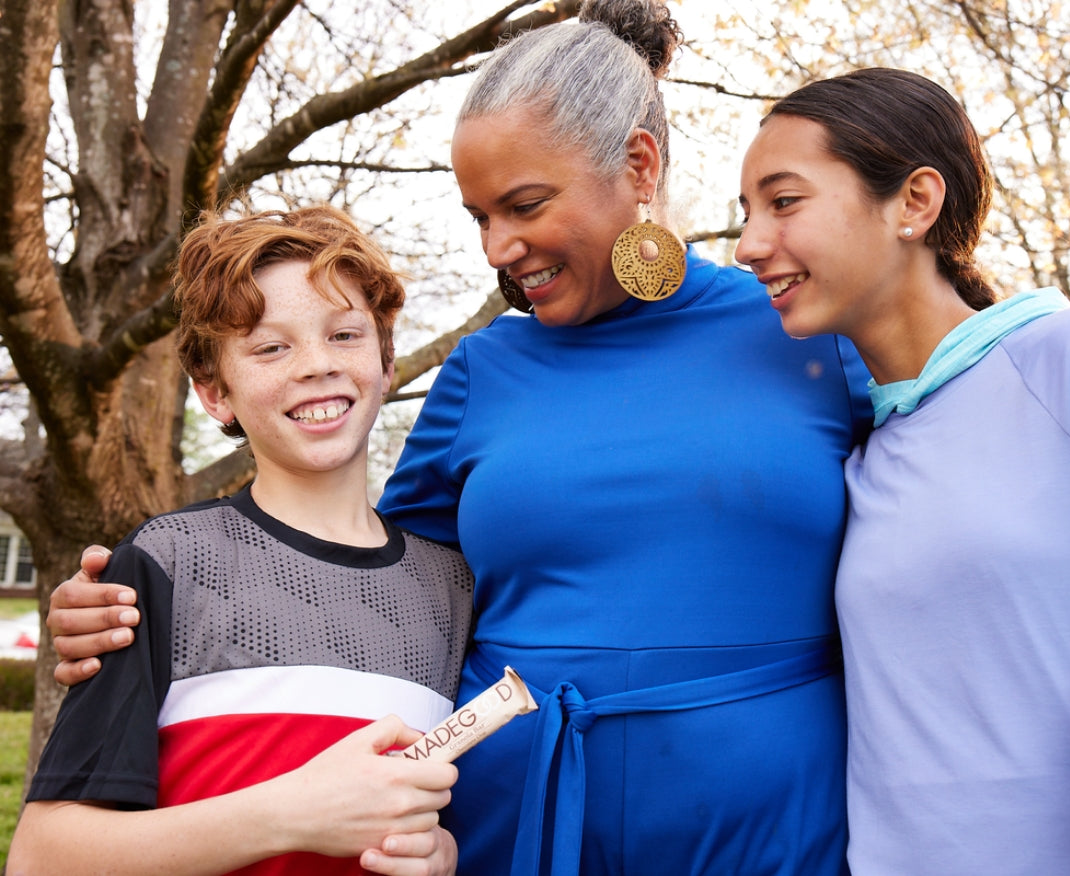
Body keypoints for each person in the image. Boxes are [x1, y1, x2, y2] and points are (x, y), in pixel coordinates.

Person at [42, 2, 873, 874]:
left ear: (638, 163)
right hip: (508, 833)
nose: (495, 248)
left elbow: (938, 543)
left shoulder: (811, 337)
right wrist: (136, 610)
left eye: (522, 205)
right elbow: (372, 591)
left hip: (771, 834)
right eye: (478, 215)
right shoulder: (483, 371)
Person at [734, 66, 1070, 874]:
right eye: (746, 214)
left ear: (915, 201)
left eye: (784, 202)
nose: (748, 245)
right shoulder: (858, 459)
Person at [9, 205, 471, 876]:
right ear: (214, 393)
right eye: (270, 347)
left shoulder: (454, 589)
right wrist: (295, 813)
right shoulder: (165, 564)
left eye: (344, 334)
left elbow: (457, 810)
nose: (317, 364)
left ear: (387, 362)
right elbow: (41, 858)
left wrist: (444, 854)